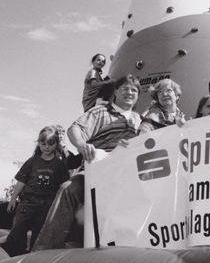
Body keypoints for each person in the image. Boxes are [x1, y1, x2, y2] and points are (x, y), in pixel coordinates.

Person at [32, 75, 141, 251]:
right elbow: (75, 129)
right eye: (125, 88)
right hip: (97, 170)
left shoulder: (139, 120)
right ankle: (43, 251)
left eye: (134, 90)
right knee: (69, 189)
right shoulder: (99, 112)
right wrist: (82, 145)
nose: (130, 92)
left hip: (126, 174)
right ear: (116, 91)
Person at [0, 126, 69, 257]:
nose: (47, 147)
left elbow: (63, 185)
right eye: (43, 144)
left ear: (56, 144)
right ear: (39, 144)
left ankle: (34, 257)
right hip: (28, 203)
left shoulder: (59, 164)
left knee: (40, 233)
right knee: (18, 229)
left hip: (47, 204)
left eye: (51, 144)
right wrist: (13, 198)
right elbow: (21, 181)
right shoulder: (32, 162)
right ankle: (13, 255)